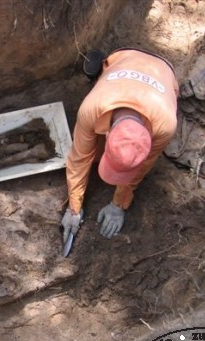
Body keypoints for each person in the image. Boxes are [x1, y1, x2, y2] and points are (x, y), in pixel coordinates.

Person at [62, 49, 179, 241]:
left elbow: (140, 168)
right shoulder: (91, 109)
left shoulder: (165, 126)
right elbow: (79, 159)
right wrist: (74, 207)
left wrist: (118, 205)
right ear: (107, 136)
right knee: (92, 154)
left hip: (165, 70)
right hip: (124, 55)